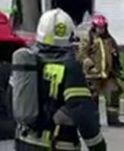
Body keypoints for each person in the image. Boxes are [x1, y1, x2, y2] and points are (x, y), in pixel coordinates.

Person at [10, 9, 106, 150]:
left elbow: (11, 99)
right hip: (56, 144)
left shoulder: (27, 62)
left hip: (24, 141)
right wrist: (98, 146)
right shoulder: (70, 67)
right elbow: (82, 112)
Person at [81, 14, 124, 127]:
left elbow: (115, 55)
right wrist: (90, 66)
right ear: (94, 27)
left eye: (103, 27)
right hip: (93, 75)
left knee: (114, 91)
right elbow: (82, 54)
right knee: (92, 97)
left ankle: (113, 118)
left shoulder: (109, 40)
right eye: (99, 27)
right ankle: (93, 120)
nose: (101, 29)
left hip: (108, 74)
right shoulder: (88, 38)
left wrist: (117, 67)